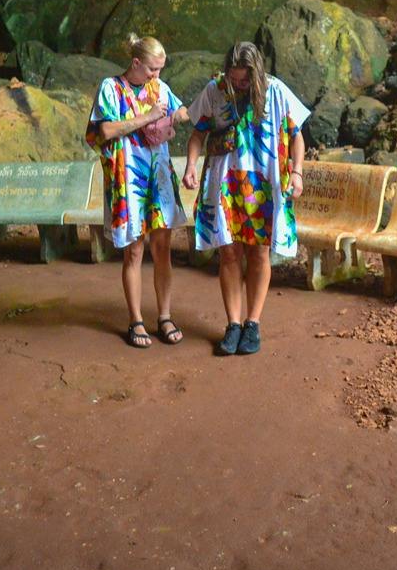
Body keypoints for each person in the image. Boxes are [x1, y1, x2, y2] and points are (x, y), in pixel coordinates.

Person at [181, 41, 309, 356]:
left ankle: (253, 323)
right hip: (226, 186)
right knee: (228, 254)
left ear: (256, 74)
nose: (238, 85)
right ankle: (233, 324)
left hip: (264, 184)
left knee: (259, 254)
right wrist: (191, 166)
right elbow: (197, 133)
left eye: (243, 80)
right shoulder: (215, 90)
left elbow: (296, 137)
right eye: (234, 78)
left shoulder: (276, 92)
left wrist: (297, 173)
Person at [85, 34, 190, 349]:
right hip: (127, 178)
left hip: (158, 178)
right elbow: (104, 130)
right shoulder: (111, 89)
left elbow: (180, 111)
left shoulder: (159, 88)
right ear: (135, 64)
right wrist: (148, 117)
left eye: (160, 69)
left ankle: (165, 316)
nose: (156, 76)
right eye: (152, 70)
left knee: (162, 249)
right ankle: (135, 320)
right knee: (133, 251)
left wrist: (178, 115)